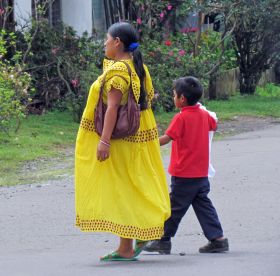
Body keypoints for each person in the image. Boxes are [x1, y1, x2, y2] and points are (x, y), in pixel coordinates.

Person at [75, 22, 170, 261]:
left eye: (106, 40)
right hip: (138, 137)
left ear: (117, 42)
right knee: (131, 183)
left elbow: (113, 108)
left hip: (120, 140)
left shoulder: (118, 71)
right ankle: (127, 245)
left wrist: (104, 141)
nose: (104, 44)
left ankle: (142, 228)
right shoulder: (138, 67)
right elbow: (147, 98)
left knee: (122, 186)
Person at [143, 76, 229, 254]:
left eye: (174, 95)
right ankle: (218, 239)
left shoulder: (181, 118)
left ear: (182, 99)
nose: (173, 98)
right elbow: (215, 125)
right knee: (203, 205)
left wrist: (146, 143)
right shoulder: (204, 115)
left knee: (174, 207)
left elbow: (166, 138)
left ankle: (163, 240)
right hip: (201, 173)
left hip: (184, 174)